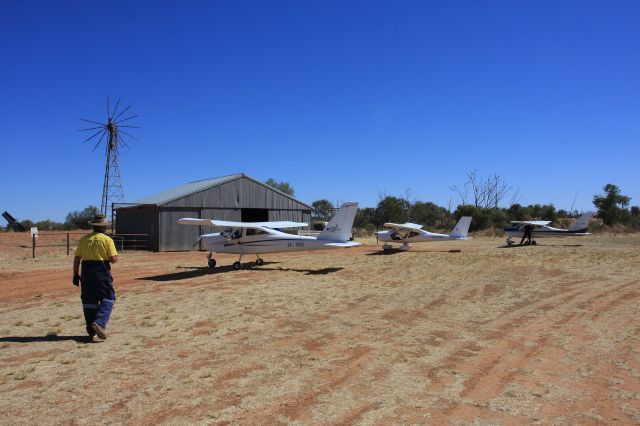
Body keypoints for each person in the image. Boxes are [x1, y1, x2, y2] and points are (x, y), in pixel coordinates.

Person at [72, 214, 118, 341]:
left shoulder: (84, 239)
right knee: (109, 298)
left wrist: (75, 275)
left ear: (93, 226)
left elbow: (77, 258)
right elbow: (114, 259)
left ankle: (91, 332)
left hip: (86, 274)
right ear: (104, 227)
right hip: (101, 274)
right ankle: (99, 322)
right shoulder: (107, 240)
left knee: (89, 302)